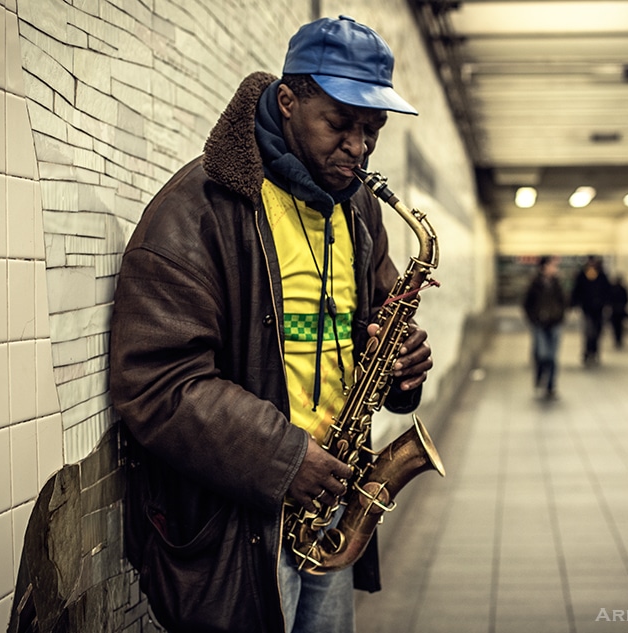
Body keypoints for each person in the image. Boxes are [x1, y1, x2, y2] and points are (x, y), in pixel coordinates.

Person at [108, 16, 432, 633]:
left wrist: (400, 370)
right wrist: (285, 458)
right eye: (341, 124)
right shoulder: (199, 210)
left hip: (328, 503)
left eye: (373, 130)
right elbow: (157, 383)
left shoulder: (359, 208)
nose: (359, 148)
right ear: (288, 101)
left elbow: (374, 328)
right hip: (243, 524)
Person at [522, 255, 567, 399]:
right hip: (539, 324)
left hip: (555, 324)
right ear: (544, 267)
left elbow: (564, 301)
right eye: (552, 265)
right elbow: (526, 304)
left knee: (553, 357)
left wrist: (560, 317)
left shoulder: (557, 284)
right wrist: (533, 319)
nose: (555, 268)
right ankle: (540, 375)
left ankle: (550, 386)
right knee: (542, 354)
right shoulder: (534, 284)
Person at [570, 255, 612, 366]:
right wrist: (574, 303)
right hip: (587, 309)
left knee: (597, 332)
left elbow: (607, 291)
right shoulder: (583, 276)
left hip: (599, 309)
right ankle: (588, 351)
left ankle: (594, 351)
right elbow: (576, 290)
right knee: (589, 331)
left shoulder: (602, 276)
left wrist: (607, 304)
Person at [609, 273, 628, 349]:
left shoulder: (617, 289)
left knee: (617, 327)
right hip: (618, 310)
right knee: (618, 327)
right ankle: (618, 340)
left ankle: (618, 340)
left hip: (617, 310)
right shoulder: (621, 289)